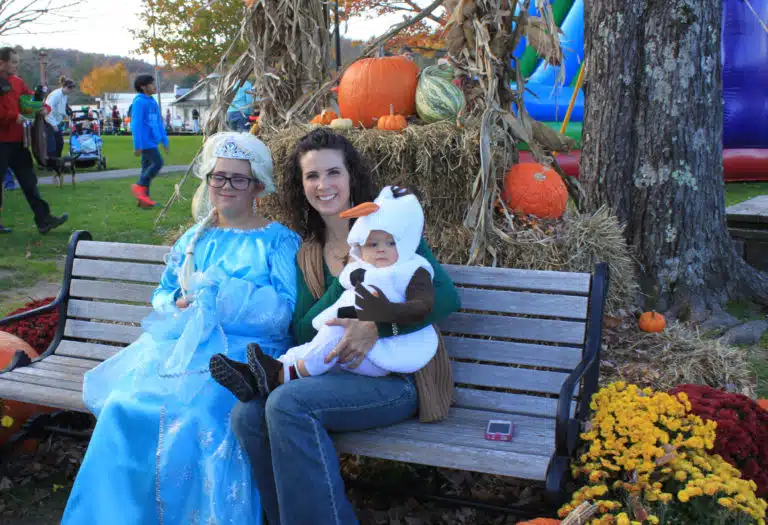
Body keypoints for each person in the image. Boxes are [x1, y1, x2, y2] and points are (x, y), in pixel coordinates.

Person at [61, 131, 300, 525]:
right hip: (185, 344)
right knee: (124, 406)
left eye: (238, 179)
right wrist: (176, 304)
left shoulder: (277, 242)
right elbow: (163, 293)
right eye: (218, 176)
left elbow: (283, 311)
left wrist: (223, 295)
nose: (226, 186)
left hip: (243, 353)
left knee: (196, 415)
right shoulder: (195, 238)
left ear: (258, 186)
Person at [229, 128, 460, 524]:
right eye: (312, 176)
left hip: (397, 378)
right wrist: (346, 278)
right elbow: (305, 331)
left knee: (287, 403)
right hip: (335, 376)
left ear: (352, 176)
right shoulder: (309, 254)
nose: (324, 185)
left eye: (333, 172)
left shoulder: (388, 234)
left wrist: (377, 327)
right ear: (301, 185)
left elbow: (446, 298)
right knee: (246, 415)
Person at [211, 185, 439, 400]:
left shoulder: (410, 270)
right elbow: (314, 322)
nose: (381, 250)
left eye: (391, 243)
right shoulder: (358, 268)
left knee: (333, 334)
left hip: (386, 353)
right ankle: (258, 375)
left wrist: (385, 313)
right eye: (373, 244)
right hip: (351, 349)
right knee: (313, 344)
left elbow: (424, 306)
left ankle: (282, 376)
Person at [0, 47, 68, 235]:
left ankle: (44, 220)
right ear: (2, 63)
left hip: (18, 142)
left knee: (29, 181)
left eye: (17, 62)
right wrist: (12, 116)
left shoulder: (17, 82)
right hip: (1, 142)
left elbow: (30, 99)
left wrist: (44, 107)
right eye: (13, 62)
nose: (17, 65)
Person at [130, 74, 169, 208]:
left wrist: (164, 140)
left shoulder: (152, 102)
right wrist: (138, 145)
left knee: (146, 168)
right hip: (145, 142)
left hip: (152, 141)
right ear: (143, 87)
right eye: (151, 84)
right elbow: (136, 124)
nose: (154, 86)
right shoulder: (139, 102)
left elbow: (158, 122)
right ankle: (139, 185)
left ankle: (143, 201)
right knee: (158, 163)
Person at [44, 76, 76, 158]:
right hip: (49, 121)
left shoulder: (65, 95)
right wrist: (53, 124)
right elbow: (48, 109)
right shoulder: (56, 95)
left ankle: (58, 160)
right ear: (66, 87)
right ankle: (51, 161)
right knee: (51, 145)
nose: (71, 91)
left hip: (56, 121)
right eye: (71, 89)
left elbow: (60, 108)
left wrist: (65, 116)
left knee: (60, 143)